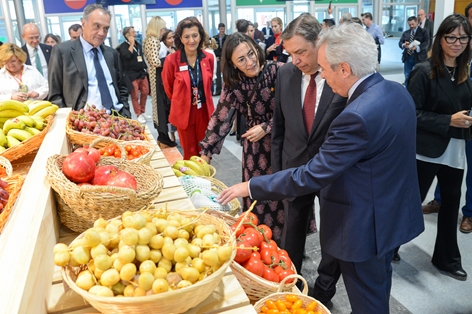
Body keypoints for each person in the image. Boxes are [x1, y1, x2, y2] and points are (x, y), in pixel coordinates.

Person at [218, 22, 424, 314]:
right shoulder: (396, 92)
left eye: (325, 68)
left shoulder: (356, 116)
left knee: (367, 300)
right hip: (391, 217)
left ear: (344, 68)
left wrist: (251, 186)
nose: (322, 75)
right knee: (378, 288)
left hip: (364, 227)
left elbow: (313, 173)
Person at [272, 13, 346, 307]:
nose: (296, 60)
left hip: (333, 173)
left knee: (333, 234)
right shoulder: (285, 74)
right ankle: (290, 283)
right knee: (292, 230)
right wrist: (279, 176)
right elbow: (279, 129)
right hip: (294, 168)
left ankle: (324, 291)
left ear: (320, 42)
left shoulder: (340, 74)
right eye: (290, 53)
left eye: (301, 52)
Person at [199, 32, 286, 241]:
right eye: (241, 59)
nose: (250, 62)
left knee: (284, 198)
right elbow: (220, 119)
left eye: (251, 53)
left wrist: (266, 126)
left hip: (282, 146)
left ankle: (287, 247)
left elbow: (295, 112)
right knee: (257, 198)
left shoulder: (279, 71)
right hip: (255, 154)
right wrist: (204, 157)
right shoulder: (234, 84)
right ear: (232, 64)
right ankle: (260, 244)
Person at [407, 13, 472, 281]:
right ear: (441, 38)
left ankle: (447, 258)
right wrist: (449, 120)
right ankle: (390, 247)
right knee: (412, 203)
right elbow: (411, 114)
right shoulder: (423, 71)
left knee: (451, 205)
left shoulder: (465, 72)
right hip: (425, 150)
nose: (457, 43)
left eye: (463, 38)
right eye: (452, 37)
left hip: (455, 151)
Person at [48, 4, 131, 118]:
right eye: (96, 26)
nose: (102, 33)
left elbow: (121, 87)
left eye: (105, 28)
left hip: (117, 120)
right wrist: (71, 122)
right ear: (83, 23)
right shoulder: (63, 52)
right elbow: (55, 95)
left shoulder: (112, 54)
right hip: (84, 123)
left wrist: (125, 112)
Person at [162, 17, 214, 160]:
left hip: (203, 110)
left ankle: (205, 180)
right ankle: (191, 181)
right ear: (181, 38)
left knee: (205, 150)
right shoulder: (171, 60)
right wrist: (182, 100)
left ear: (200, 36)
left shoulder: (208, 58)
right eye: (187, 36)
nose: (192, 40)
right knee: (189, 152)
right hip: (184, 111)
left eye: (195, 35)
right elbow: (168, 88)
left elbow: (208, 86)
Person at [143, 17, 176, 148]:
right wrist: (170, 57)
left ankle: (163, 136)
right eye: (162, 28)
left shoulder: (152, 40)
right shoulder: (152, 41)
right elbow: (155, 62)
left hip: (158, 77)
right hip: (158, 78)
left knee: (160, 108)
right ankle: (163, 137)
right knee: (160, 108)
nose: (163, 31)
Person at [119, 26, 149, 124]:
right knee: (135, 95)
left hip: (141, 72)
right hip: (131, 74)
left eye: (135, 32)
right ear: (127, 35)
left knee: (145, 92)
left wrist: (146, 68)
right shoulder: (123, 46)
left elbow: (141, 57)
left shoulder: (138, 44)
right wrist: (131, 44)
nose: (135, 34)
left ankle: (142, 111)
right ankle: (138, 114)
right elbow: (127, 55)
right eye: (133, 32)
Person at [399, 16, 430, 89]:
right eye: (409, 25)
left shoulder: (423, 32)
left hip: (419, 58)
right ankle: (407, 91)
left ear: (417, 22)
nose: (411, 26)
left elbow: (427, 42)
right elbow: (400, 42)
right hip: (408, 57)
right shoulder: (406, 33)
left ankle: (416, 91)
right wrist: (404, 45)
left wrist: (418, 48)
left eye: (413, 24)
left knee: (418, 76)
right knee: (407, 75)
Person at [159, 29, 177, 144]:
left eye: (173, 37)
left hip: (175, 83)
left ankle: (174, 133)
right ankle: (170, 135)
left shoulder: (175, 49)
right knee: (168, 111)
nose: (171, 40)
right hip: (164, 84)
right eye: (169, 38)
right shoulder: (161, 49)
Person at [212, 23, 227, 96]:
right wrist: (215, 57)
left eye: (223, 29)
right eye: (221, 29)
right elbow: (213, 48)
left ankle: (227, 90)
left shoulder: (227, 37)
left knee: (226, 74)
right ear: (218, 29)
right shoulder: (214, 38)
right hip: (217, 58)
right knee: (217, 74)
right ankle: (218, 90)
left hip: (225, 58)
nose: (222, 30)